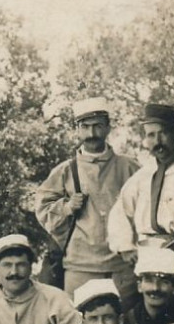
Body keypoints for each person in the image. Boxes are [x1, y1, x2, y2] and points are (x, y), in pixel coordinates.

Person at [107, 103, 174, 310]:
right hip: (147, 258)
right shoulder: (142, 176)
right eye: (151, 135)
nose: (157, 141)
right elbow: (119, 213)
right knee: (124, 307)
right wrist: (126, 248)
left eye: (163, 133)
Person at [34, 97, 139, 303]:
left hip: (122, 268)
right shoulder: (64, 171)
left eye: (98, 126)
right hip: (80, 267)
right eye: (85, 127)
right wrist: (66, 207)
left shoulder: (130, 167)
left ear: (108, 128)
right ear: (77, 130)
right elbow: (42, 209)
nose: (92, 134)